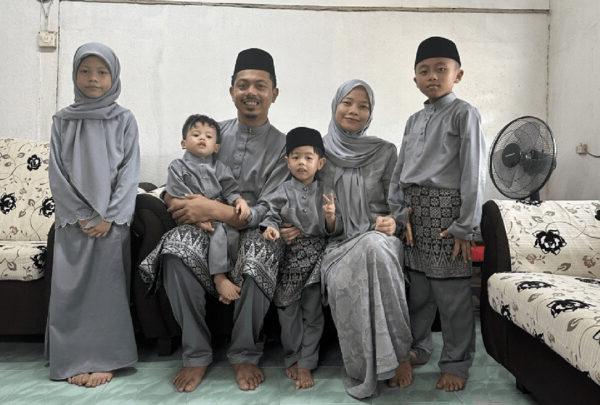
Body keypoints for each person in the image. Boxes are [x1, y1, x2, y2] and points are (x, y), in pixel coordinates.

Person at [138, 48, 288, 392]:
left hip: (251, 228)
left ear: (274, 93)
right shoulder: (208, 132)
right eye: (243, 85)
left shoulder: (284, 146)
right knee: (175, 250)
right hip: (204, 231)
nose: (251, 92)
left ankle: (245, 352)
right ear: (231, 90)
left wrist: (214, 209)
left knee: (262, 253)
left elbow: (272, 207)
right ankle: (196, 354)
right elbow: (179, 180)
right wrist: (175, 199)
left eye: (260, 86)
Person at [388, 36, 486, 392]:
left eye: (441, 69)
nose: (432, 76)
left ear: (458, 75)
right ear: (414, 78)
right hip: (415, 217)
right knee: (419, 293)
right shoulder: (414, 119)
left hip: (448, 217)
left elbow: (472, 172)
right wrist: (400, 214)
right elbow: (401, 170)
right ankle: (419, 348)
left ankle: (457, 364)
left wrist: (465, 226)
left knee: (453, 297)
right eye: (424, 71)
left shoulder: (465, 114)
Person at [309, 79, 412, 399]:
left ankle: (400, 356)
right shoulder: (315, 153)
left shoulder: (384, 152)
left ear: (371, 114)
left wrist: (394, 222)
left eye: (363, 106)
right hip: (337, 244)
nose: (354, 110)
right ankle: (370, 364)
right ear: (335, 105)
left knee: (375, 248)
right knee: (364, 255)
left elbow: (399, 206)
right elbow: (304, 207)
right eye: (347, 103)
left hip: (379, 238)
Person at [46, 42, 139, 387]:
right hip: (74, 222)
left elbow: (130, 172)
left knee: (107, 291)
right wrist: (83, 214)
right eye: (85, 70)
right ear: (74, 74)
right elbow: (57, 174)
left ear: (113, 77)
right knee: (69, 290)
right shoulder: (61, 120)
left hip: (111, 223)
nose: (93, 78)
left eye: (102, 72)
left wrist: (110, 217)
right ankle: (71, 358)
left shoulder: (124, 119)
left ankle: (105, 358)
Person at [260, 127, 340, 389]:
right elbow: (270, 214)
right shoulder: (282, 190)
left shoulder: (327, 191)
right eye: (295, 157)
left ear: (321, 162)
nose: (302, 163)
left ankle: (307, 362)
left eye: (308, 157)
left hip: (317, 258)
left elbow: (333, 230)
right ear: (287, 161)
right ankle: (292, 356)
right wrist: (271, 228)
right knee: (287, 310)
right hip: (289, 260)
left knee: (313, 313)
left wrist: (330, 216)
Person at [140, 114, 250, 304]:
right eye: (196, 134)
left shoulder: (220, 168)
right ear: (183, 142)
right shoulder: (178, 166)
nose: (202, 138)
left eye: (208, 136)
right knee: (217, 234)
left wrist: (239, 201)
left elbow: (231, 189)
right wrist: (198, 219)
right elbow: (177, 193)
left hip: (217, 212)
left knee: (230, 234)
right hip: (190, 215)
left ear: (216, 147)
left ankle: (231, 279)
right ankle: (219, 277)